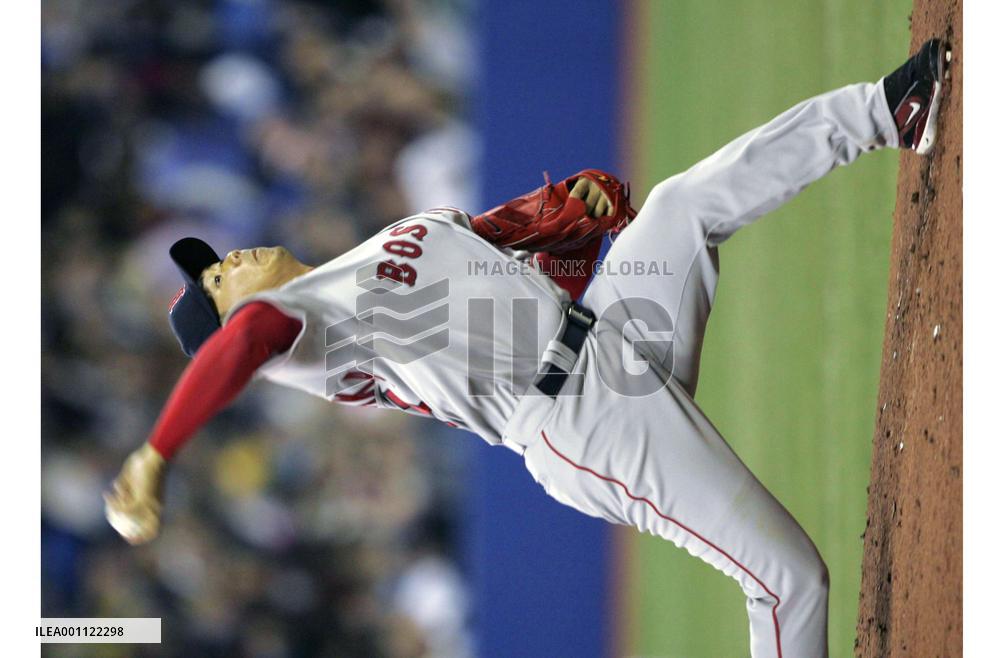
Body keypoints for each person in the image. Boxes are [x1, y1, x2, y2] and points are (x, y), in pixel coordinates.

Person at [105, 39, 950, 658]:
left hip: (609, 337)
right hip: (581, 422)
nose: (230, 263)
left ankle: (887, 109)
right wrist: (156, 451)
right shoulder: (300, 336)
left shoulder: (363, 257)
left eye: (214, 260)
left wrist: (581, 215)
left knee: (679, 207)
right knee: (787, 578)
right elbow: (247, 339)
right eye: (217, 281)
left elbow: (543, 265)